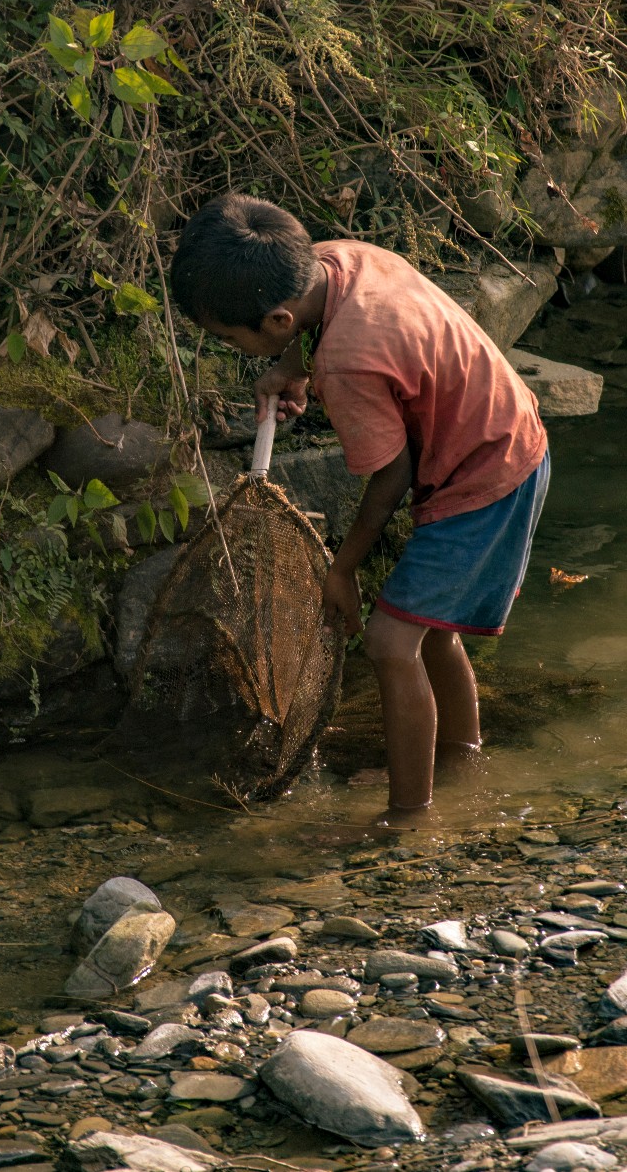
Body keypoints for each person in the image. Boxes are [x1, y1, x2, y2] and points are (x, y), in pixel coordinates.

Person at [169, 193, 550, 821]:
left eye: (230, 338)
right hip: (508, 437)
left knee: (389, 642)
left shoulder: (346, 366)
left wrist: (341, 569)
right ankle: (459, 761)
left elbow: (390, 477)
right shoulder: (338, 260)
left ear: (276, 320)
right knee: (433, 634)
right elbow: (311, 324)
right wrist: (291, 364)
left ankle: (407, 818)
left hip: (483, 478)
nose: (233, 347)